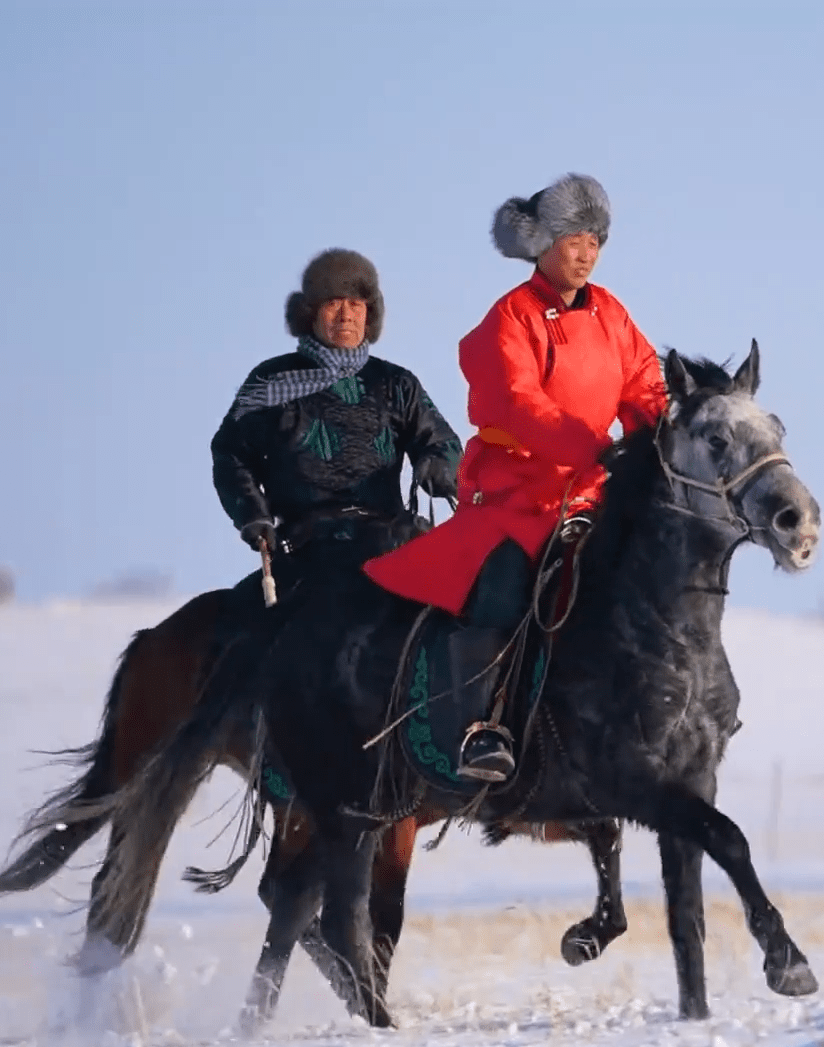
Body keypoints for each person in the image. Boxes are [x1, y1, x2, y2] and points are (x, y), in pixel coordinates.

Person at [364, 174, 667, 782]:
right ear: (543, 243)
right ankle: (484, 727)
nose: (585, 254)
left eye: (595, 242)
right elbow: (519, 402)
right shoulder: (511, 316)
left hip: (590, 492)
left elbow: (643, 386)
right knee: (503, 584)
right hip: (513, 494)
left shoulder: (612, 314)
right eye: (574, 240)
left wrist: (662, 442)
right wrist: (594, 446)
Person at [211, 248, 462, 642]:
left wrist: (438, 466)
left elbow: (442, 442)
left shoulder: (397, 383)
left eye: (356, 303)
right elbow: (230, 454)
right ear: (310, 313)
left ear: (370, 314)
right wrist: (252, 515)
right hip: (307, 545)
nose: (346, 314)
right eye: (333, 303)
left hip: (389, 536)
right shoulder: (270, 382)